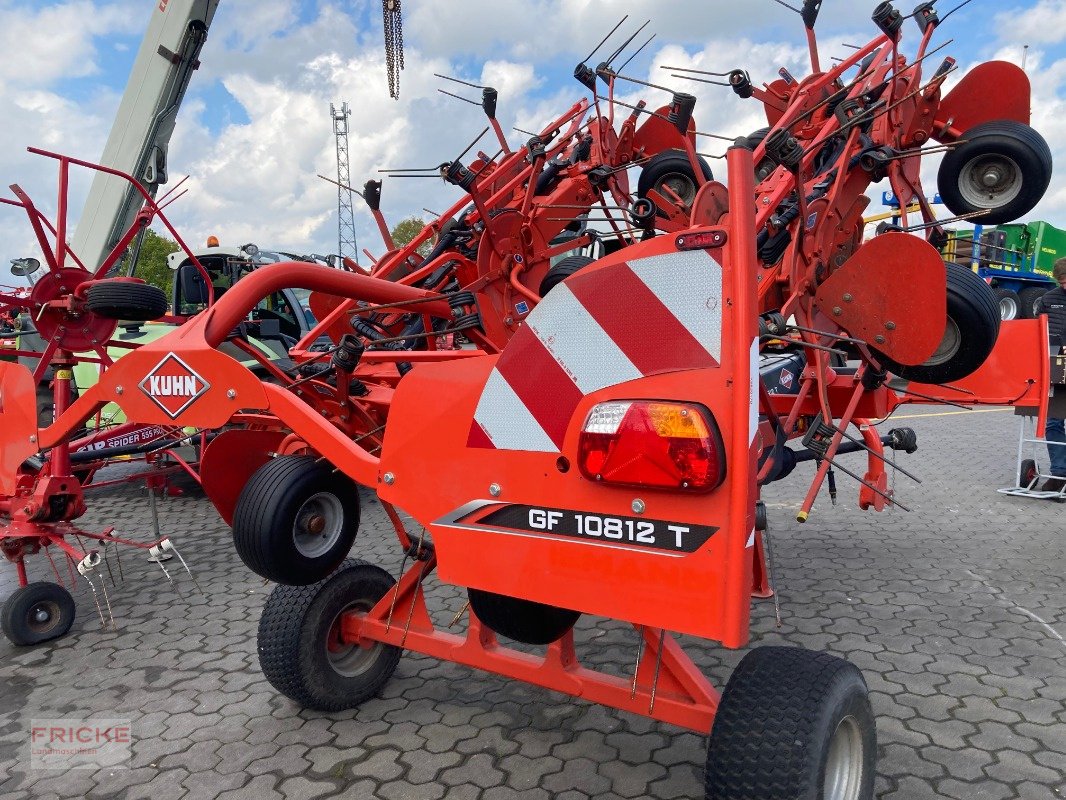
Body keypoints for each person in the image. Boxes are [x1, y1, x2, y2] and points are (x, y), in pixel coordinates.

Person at [1035, 259, 1066, 491]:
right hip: (1055, 368)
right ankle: (1059, 475)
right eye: (1062, 281)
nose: (1065, 286)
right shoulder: (1048, 299)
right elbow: (1038, 335)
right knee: (1054, 422)